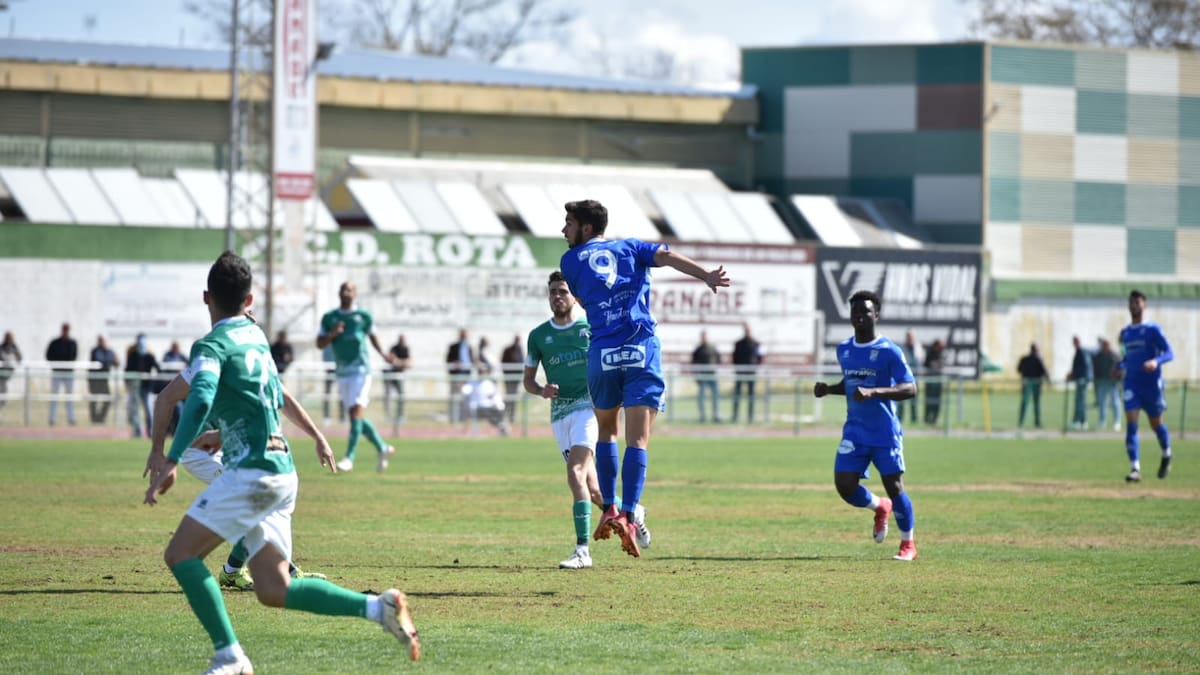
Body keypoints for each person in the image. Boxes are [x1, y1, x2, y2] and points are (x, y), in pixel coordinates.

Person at [142, 251, 419, 674]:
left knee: (181, 555)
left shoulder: (212, 346)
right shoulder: (256, 338)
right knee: (274, 587)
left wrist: (172, 457)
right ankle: (378, 608)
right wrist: (315, 436)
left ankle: (228, 656)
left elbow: (197, 397)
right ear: (249, 300)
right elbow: (274, 396)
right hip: (282, 471)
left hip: (251, 473)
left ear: (206, 298)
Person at [560, 199, 729, 558]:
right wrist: (707, 277)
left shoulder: (569, 262)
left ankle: (609, 508)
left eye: (569, 224)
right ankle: (631, 513)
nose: (564, 230)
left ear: (587, 229)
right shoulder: (632, 247)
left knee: (607, 431)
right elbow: (666, 257)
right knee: (639, 439)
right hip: (640, 348)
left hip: (602, 352)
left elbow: (582, 296)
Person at [148, 370, 327, 591]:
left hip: (230, 446)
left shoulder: (252, 360)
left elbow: (284, 398)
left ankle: (248, 570)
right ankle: (246, 571)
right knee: (253, 501)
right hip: (200, 451)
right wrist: (162, 454)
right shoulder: (212, 359)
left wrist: (318, 436)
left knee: (258, 503)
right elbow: (168, 397)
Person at [524, 270, 651, 569]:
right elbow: (527, 381)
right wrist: (542, 390)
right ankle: (634, 513)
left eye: (563, 291)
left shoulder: (591, 328)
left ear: (575, 296)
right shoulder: (538, 336)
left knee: (575, 472)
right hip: (560, 416)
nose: (558, 296)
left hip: (588, 409)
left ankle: (583, 551)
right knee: (595, 492)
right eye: (553, 291)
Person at [813, 289, 919, 562]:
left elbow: (910, 388)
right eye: (855, 312)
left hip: (884, 432)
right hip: (855, 431)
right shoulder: (844, 349)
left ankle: (908, 544)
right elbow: (852, 385)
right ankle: (879, 507)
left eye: (865, 312)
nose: (860, 316)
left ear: (877, 315)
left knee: (895, 487)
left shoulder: (888, 351)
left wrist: (875, 393)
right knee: (844, 486)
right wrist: (829, 390)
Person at [317, 281, 398, 473]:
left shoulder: (364, 316)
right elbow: (320, 343)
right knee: (357, 417)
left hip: (361, 370)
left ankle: (349, 458)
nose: (346, 292)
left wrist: (384, 354)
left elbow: (373, 337)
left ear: (355, 293)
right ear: (339, 293)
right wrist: (333, 334)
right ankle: (382, 448)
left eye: (350, 289)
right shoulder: (330, 318)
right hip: (342, 371)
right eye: (343, 288)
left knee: (355, 413)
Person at [1118, 290, 1175, 482]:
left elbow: (1169, 353)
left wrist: (1155, 362)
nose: (1134, 305)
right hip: (1132, 384)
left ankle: (1166, 453)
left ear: (1145, 305)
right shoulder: (1125, 333)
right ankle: (1135, 468)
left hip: (1151, 385)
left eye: (1137, 302)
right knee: (1131, 424)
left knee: (1155, 424)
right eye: (1131, 302)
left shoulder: (1153, 330)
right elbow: (1126, 358)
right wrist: (1118, 367)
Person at [125, 334, 160, 438]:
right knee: (134, 411)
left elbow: (158, 368)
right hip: (135, 387)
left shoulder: (150, 356)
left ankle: (150, 432)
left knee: (149, 410)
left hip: (147, 387)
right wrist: (128, 383)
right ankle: (137, 432)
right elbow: (127, 370)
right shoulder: (132, 355)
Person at [461, 366, 509, 436]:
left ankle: (502, 427)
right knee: (490, 415)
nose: (482, 374)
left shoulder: (489, 383)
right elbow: (465, 391)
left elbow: (494, 396)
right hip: (477, 407)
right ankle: (500, 426)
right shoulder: (472, 383)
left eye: (483, 372)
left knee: (499, 412)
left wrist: (499, 405)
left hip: (489, 407)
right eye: (481, 372)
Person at [46, 322, 78, 426]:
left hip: (68, 373)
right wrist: (56, 365)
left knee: (69, 398)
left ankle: (71, 419)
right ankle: (52, 419)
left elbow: (73, 356)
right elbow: (48, 355)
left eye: (67, 329)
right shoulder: (55, 342)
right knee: (54, 397)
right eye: (64, 329)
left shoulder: (72, 343)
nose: (65, 331)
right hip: (57, 372)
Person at [731, 323, 762, 424]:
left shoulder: (756, 343)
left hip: (751, 372)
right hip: (740, 372)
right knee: (737, 395)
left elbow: (760, 357)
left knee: (751, 395)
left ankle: (750, 417)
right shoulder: (738, 343)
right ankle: (735, 416)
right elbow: (734, 357)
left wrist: (756, 366)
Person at [1016, 342, 1050, 429]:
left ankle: (1027, 422)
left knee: (1032, 403)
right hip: (1032, 383)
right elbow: (1045, 371)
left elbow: (1019, 369)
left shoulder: (1029, 359)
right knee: (1030, 403)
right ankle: (1028, 422)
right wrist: (1048, 380)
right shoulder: (1031, 359)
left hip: (1030, 382)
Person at [445, 328, 475, 424]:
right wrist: (455, 364)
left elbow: (472, 361)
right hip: (456, 376)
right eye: (463, 335)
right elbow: (448, 361)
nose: (464, 337)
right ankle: (453, 419)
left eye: (465, 335)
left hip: (466, 377)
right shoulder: (453, 347)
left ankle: (463, 418)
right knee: (454, 398)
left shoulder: (469, 347)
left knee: (465, 399)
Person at [88, 335, 119, 424]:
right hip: (94, 381)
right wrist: (109, 361)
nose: (102, 343)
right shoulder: (95, 351)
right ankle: (94, 419)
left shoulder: (109, 351)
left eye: (104, 341)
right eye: (100, 341)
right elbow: (100, 361)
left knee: (107, 399)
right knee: (94, 400)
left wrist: (114, 361)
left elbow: (116, 362)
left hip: (104, 381)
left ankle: (100, 418)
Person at [691, 330, 721, 423]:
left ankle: (716, 415)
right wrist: (697, 375)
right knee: (702, 397)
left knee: (715, 397)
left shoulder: (713, 348)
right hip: (702, 376)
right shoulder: (698, 349)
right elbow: (694, 362)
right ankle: (703, 416)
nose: (704, 338)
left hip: (712, 375)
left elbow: (719, 359)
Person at [1093, 337, 1121, 432]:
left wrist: (1117, 376)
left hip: (1113, 383)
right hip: (1102, 382)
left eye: (1107, 345)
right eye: (1104, 345)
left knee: (1115, 402)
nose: (1105, 346)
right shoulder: (1098, 356)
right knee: (1102, 403)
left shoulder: (1115, 356)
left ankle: (1117, 422)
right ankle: (1102, 421)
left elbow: (1121, 369)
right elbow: (1095, 369)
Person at [1066, 335, 1093, 430]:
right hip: (1080, 379)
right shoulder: (1079, 351)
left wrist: (1074, 374)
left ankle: (1081, 421)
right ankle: (1079, 421)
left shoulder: (1081, 351)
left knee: (1080, 401)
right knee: (1079, 401)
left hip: (1082, 380)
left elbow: (1084, 367)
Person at [895, 330, 920, 424]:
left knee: (914, 400)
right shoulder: (901, 348)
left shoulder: (917, 347)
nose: (910, 339)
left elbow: (920, 360)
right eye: (908, 337)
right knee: (901, 400)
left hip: (915, 378)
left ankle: (914, 420)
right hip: (903, 378)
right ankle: (900, 418)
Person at [387, 334, 411, 426]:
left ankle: (400, 416)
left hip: (400, 376)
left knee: (401, 396)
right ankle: (389, 416)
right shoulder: (394, 348)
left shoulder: (406, 349)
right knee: (389, 397)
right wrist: (402, 363)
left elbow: (409, 362)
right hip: (391, 375)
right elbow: (393, 360)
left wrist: (400, 363)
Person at [500, 334, 524, 424]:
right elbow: (503, 363)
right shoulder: (508, 350)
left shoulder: (520, 350)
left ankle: (512, 417)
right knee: (509, 398)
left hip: (516, 379)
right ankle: (505, 416)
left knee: (514, 398)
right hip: (509, 378)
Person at [922, 339, 945, 425]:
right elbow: (926, 365)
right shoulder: (930, 354)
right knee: (929, 401)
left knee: (937, 401)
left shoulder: (941, 355)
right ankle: (927, 418)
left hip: (938, 382)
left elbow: (942, 366)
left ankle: (935, 418)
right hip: (930, 382)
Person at [0, 331, 21, 409]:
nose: (9, 340)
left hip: (11, 373)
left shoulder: (14, 347)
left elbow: (20, 358)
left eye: (10, 338)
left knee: (5, 390)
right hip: (2, 374)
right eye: (8, 338)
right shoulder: (1, 347)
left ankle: (3, 402)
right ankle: (2, 403)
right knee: (2, 389)